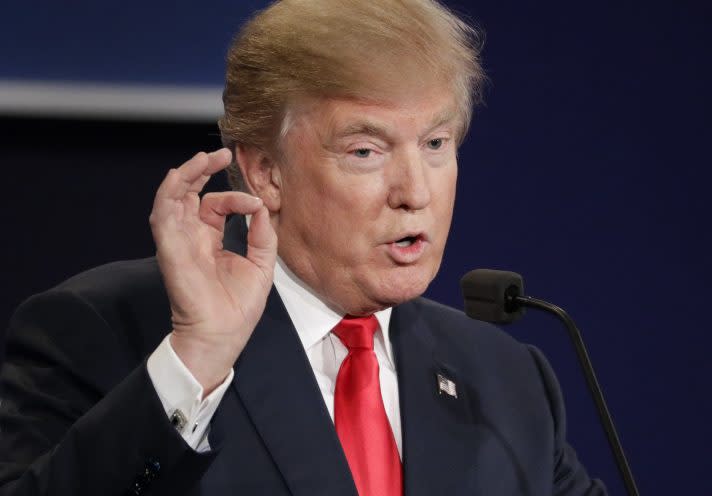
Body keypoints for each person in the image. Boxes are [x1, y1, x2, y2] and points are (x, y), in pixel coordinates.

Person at [0, 0, 606, 494]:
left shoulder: (505, 379)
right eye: (366, 151)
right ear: (266, 172)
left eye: (436, 143)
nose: (414, 192)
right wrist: (199, 359)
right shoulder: (108, 332)